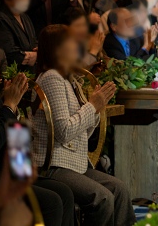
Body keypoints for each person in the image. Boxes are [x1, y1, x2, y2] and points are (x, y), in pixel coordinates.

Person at [32, 24, 133, 226]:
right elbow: (64, 131)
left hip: (73, 163)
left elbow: (82, 134)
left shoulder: (69, 79)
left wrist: (95, 108)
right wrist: (92, 106)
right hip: (53, 165)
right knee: (102, 198)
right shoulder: (52, 77)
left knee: (119, 189)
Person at [0, 34, 76, 226]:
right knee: (52, 202)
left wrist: (14, 108)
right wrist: (7, 104)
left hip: (9, 171)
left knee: (64, 193)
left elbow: (14, 147)